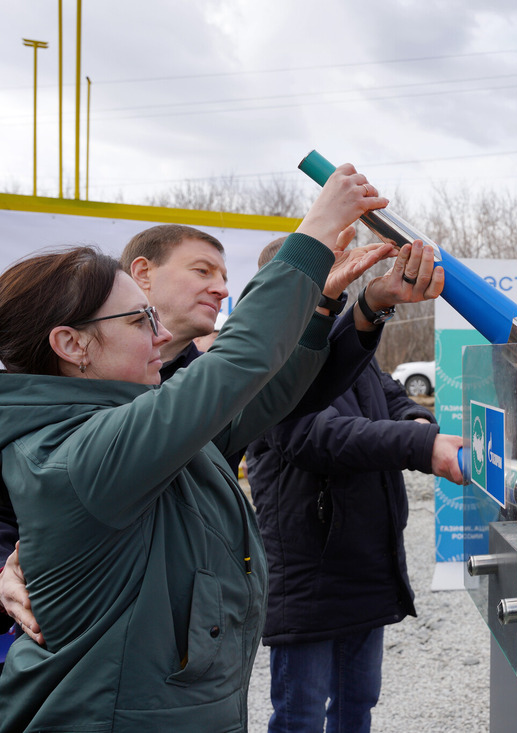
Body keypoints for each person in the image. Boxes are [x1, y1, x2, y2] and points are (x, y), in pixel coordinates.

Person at [0, 165, 394, 730]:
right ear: (71, 344)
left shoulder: (128, 428)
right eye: (139, 320)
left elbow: (263, 395)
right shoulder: (77, 452)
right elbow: (237, 364)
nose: (159, 336)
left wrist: (326, 303)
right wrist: (312, 236)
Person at [246, 238, 462, 733]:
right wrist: (418, 445)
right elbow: (316, 436)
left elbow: (392, 400)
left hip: (364, 559)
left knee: (357, 704)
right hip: (310, 570)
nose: (341, 284)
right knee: (300, 714)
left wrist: (420, 427)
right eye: (328, 274)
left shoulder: (348, 347)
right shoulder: (267, 360)